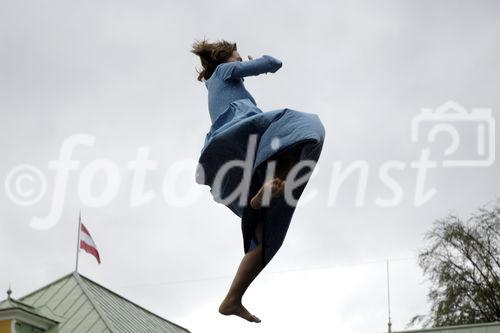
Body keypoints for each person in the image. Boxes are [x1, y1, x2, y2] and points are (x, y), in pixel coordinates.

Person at [191, 38, 325, 323]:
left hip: (236, 150)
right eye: (236, 56)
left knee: (265, 240)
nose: (239, 59)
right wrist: (251, 63)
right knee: (307, 125)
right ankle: (274, 180)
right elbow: (272, 63)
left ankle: (232, 298)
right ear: (226, 58)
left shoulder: (214, 83)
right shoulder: (223, 73)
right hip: (244, 133)